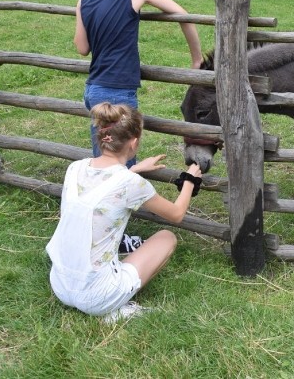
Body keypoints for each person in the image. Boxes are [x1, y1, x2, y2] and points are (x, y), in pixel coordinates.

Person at [46, 102, 204, 323]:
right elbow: (177, 214)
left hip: (60, 286)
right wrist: (190, 179)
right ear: (134, 142)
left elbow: (105, 191)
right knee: (166, 238)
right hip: (97, 297)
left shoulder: (76, 168)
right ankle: (116, 308)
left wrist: (134, 170)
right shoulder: (131, 184)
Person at [73, 0, 204, 162]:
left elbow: (82, 47)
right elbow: (185, 16)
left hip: (93, 91)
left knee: (104, 163)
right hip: (118, 94)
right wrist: (196, 60)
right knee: (120, 167)